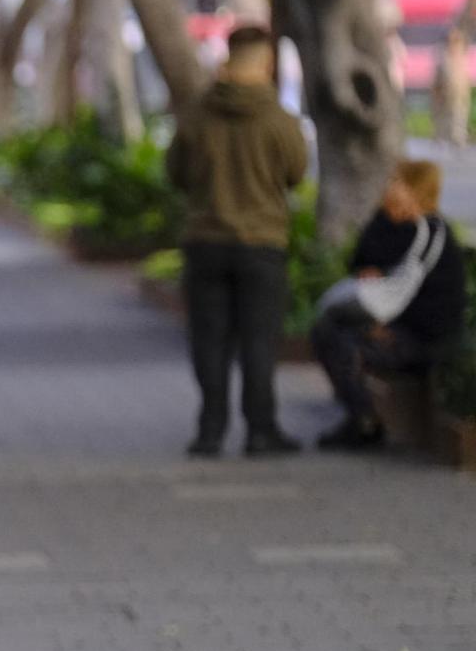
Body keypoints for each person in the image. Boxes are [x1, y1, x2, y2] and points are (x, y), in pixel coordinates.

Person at [167, 24, 310, 457]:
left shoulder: (196, 115)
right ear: (266, 62)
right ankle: (260, 429)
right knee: (258, 340)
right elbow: (297, 174)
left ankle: (210, 430)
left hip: (205, 241)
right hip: (262, 243)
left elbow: (175, 173)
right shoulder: (280, 121)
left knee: (208, 340)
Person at [313, 160, 468, 450]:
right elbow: (360, 261)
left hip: (423, 338)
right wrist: (386, 216)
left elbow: (439, 307)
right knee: (327, 328)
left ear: (417, 189)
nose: (390, 186)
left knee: (339, 340)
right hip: (396, 325)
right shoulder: (394, 225)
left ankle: (364, 422)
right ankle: (360, 414)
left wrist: (389, 327)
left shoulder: (434, 235)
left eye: (399, 181)